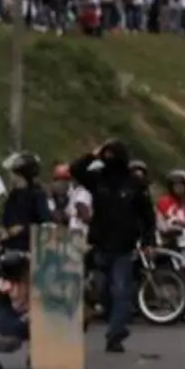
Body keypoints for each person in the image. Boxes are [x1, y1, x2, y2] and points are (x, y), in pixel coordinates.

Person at [69, 139, 154, 353]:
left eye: (111, 155)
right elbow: (75, 169)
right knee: (96, 291)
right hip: (99, 245)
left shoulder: (135, 184)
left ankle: (115, 335)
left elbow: (148, 217)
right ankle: (79, 323)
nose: (108, 159)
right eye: (105, 156)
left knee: (120, 292)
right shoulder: (98, 180)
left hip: (124, 248)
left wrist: (147, 241)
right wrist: (93, 154)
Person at [0, 249, 32, 369]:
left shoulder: (35, 273)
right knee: (12, 340)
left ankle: (37, 358)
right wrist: (23, 320)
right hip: (11, 316)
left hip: (31, 312)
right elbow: (3, 314)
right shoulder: (3, 285)